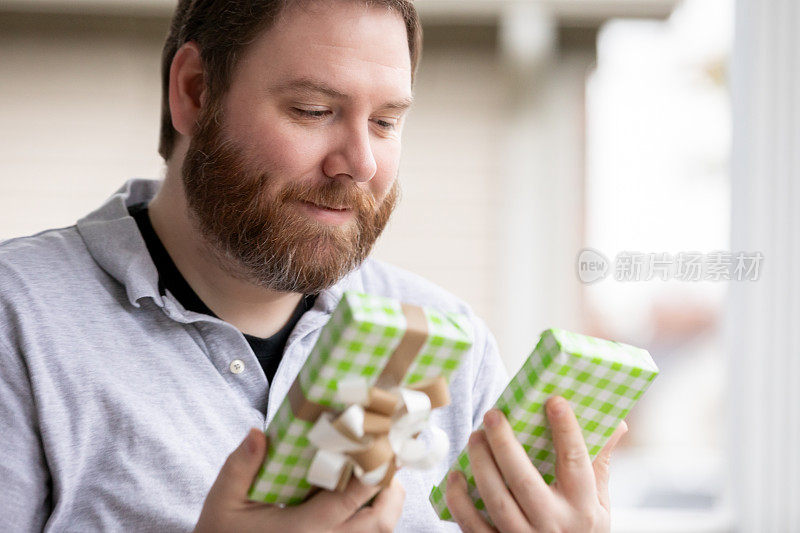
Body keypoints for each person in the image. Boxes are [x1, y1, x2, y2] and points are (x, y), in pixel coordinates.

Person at [0, 0, 627, 531]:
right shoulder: (19, 319)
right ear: (193, 92)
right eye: (313, 111)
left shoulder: (449, 342)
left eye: (385, 122)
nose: (359, 162)